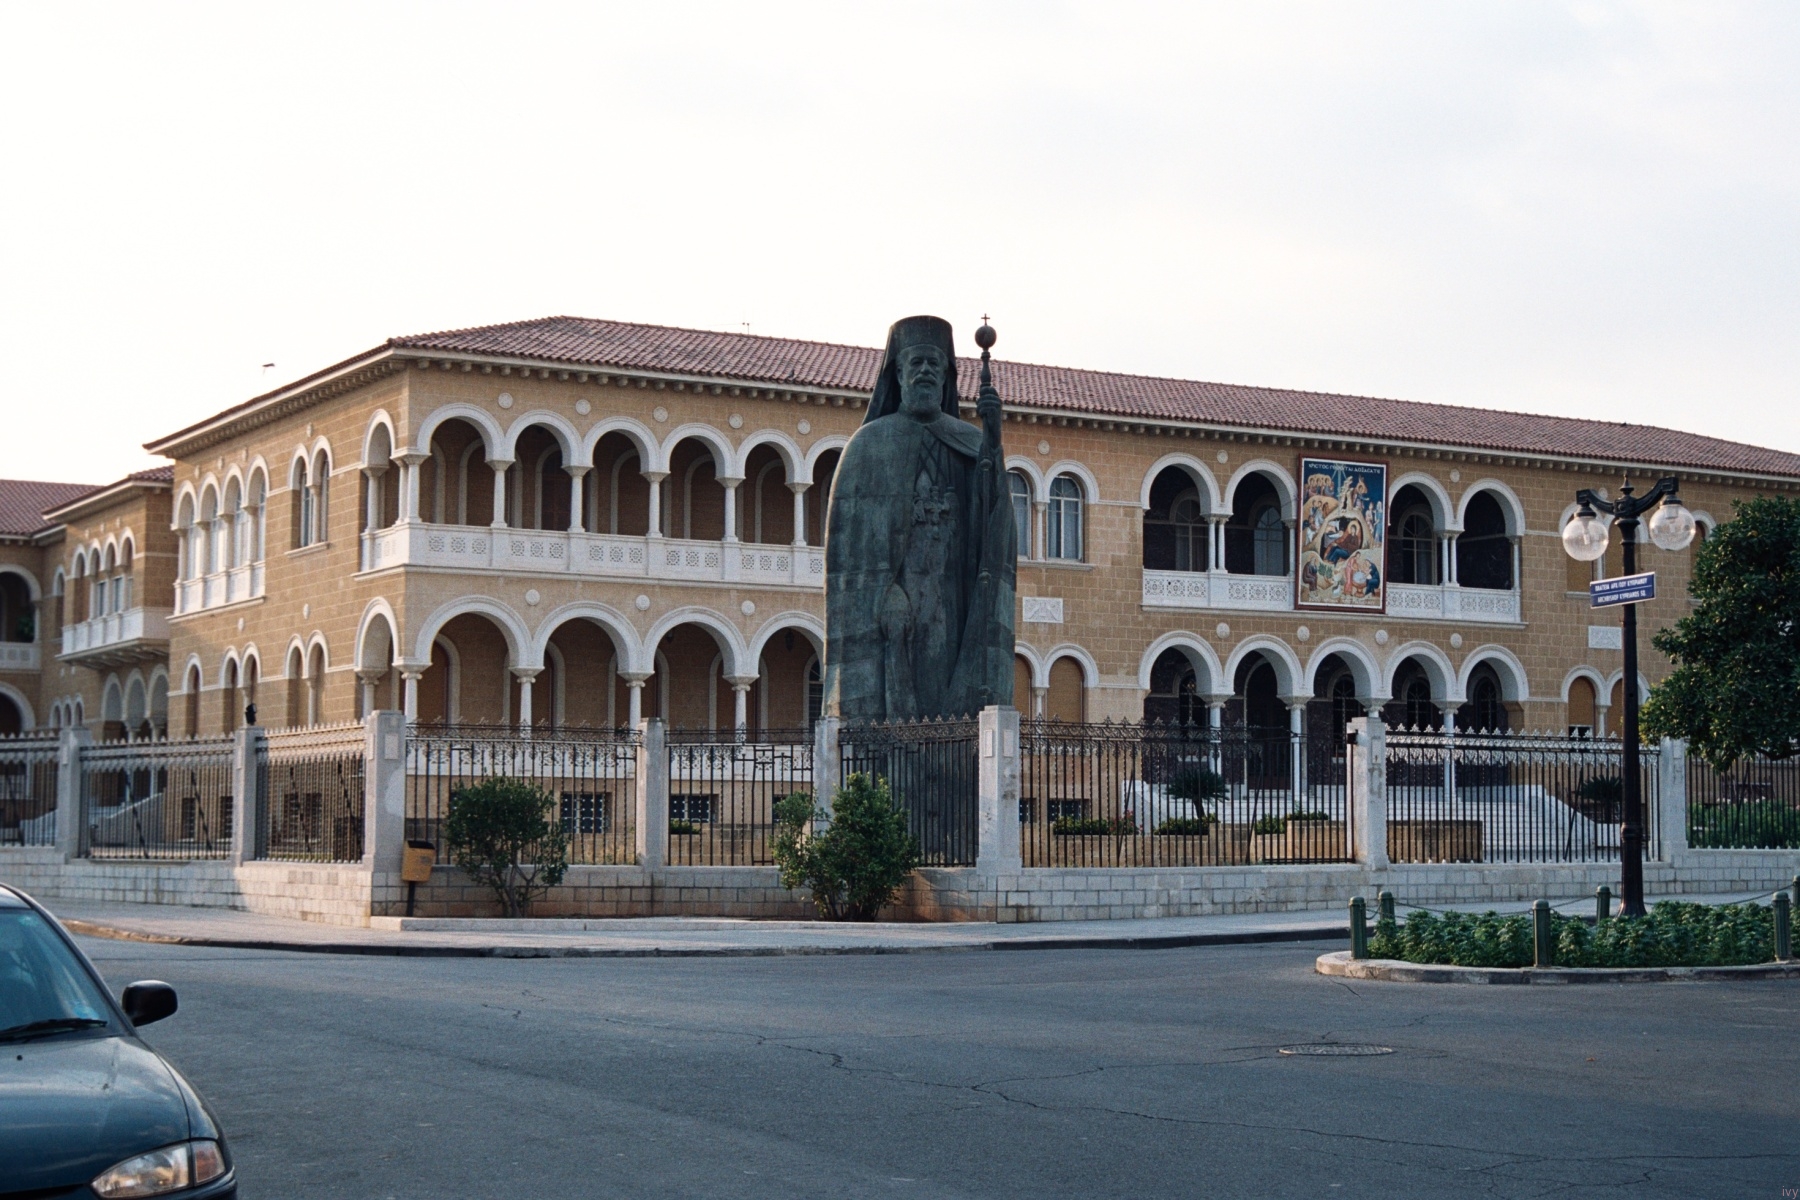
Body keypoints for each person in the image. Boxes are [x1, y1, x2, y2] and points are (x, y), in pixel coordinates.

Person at [823, 316, 1016, 722]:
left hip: (953, 595)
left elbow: (992, 524)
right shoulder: (869, 445)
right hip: (897, 597)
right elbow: (849, 551)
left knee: (947, 686)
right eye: (917, 363)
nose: (926, 371)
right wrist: (884, 593)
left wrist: (994, 446)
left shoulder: (971, 442)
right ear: (899, 374)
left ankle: (954, 757)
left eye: (935, 364)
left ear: (946, 377)